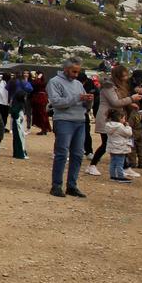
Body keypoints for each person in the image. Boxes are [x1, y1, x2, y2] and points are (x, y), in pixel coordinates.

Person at [47, 57, 92, 199]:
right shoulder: (54, 82)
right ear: (65, 69)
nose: (76, 75)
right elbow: (57, 102)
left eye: (78, 72)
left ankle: (72, 185)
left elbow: (83, 103)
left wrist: (89, 101)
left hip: (80, 121)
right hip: (64, 120)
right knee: (61, 153)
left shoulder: (78, 84)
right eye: (74, 71)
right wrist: (78, 98)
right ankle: (56, 185)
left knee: (78, 154)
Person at [89, 64, 136, 176]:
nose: (126, 78)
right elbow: (115, 102)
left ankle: (125, 167)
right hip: (107, 118)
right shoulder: (108, 87)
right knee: (107, 143)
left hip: (115, 117)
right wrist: (131, 99)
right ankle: (92, 165)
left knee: (119, 142)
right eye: (124, 76)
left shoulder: (117, 86)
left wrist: (131, 103)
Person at [102, 108, 135, 184]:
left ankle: (113, 175)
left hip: (112, 147)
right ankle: (120, 176)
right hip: (120, 147)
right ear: (120, 118)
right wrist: (128, 126)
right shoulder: (120, 126)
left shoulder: (108, 125)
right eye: (123, 118)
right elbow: (128, 133)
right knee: (120, 163)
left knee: (113, 162)